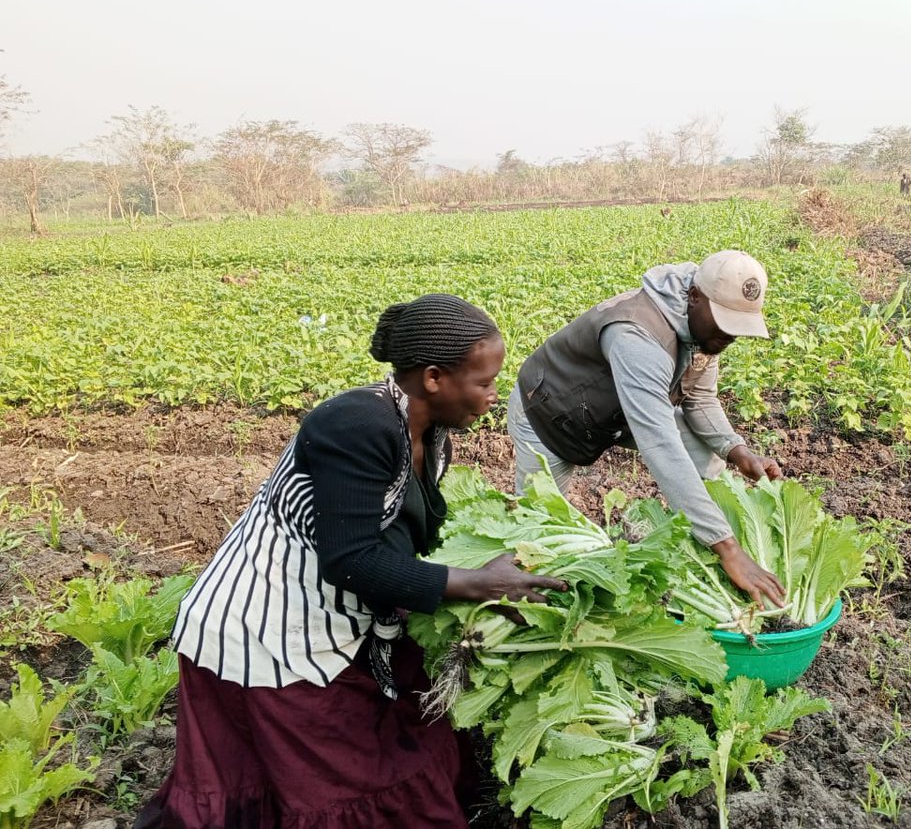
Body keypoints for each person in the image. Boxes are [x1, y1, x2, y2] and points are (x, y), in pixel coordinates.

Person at [136, 294, 567, 829]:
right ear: (433, 377)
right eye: (483, 383)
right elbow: (351, 560)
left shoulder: (430, 435)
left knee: (409, 726)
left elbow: (416, 541)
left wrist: (490, 586)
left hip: (342, 615)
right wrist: (477, 584)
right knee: (341, 774)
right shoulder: (357, 425)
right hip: (272, 631)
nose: (490, 398)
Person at [508, 250, 787, 607]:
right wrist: (728, 546)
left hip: (613, 412)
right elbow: (660, 445)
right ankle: (518, 608)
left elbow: (699, 398)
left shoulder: (706, 331)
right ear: (695, 297)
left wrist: (737, 451)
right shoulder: (637, 336)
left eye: (737, 326)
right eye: (723, 322)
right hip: (550, 412)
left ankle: (698, 543)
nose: (729, 336)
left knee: (706, 455)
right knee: (542, 528)